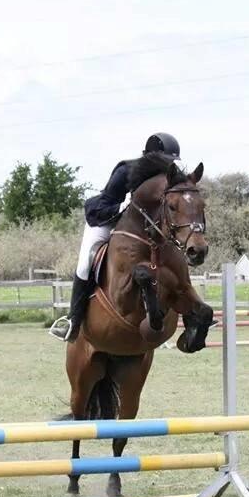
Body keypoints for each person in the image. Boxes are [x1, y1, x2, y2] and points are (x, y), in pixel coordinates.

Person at [49, 133, 181, 342]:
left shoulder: (170, 177)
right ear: (152, 157)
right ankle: (73, 321)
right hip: (105, 221)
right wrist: (123, 206)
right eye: (167, 161)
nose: (170, 166)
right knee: (86, 263)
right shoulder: (125, 171)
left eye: (172, 162)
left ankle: (192, 312)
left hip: (141, 230)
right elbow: (103, 206)